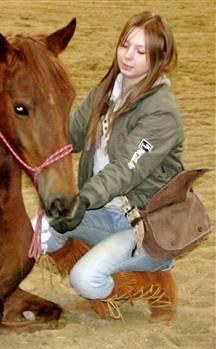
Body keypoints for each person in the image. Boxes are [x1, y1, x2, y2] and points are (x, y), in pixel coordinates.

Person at [40, 11, 183, 323]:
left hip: (142, 226)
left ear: (159, 58)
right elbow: (69, 136)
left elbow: (124, 170)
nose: (128, 56)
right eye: (125, 45)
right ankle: (103, 287)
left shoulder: (162, 115)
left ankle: (154, 282)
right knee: (39, 232)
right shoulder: (108, 90)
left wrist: (83, 200)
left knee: (86, 280)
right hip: (104, 213)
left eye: (141, 52)